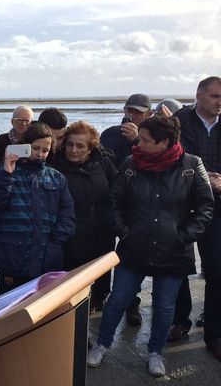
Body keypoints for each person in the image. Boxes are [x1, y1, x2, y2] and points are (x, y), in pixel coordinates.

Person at [87, 114, 214, 377]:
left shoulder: (191, 165)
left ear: (164, 142)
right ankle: (102, 345)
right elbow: (115, 202)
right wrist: (125, 232)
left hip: (174, 250)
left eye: (145, 140)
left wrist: (184, 235)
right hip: (134, 247)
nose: (138, 144)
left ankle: (156, 352)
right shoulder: (131, 164)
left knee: (165, 306)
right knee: (118, 299)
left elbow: (205, 206)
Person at [0, 121, 75, 295]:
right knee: (8, 312)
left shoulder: (57, 178)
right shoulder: (1, 171)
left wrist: (54, 247)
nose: (40, 154)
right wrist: (5, 175)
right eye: (35, 148)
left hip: (46, 260)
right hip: (12, 259)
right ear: (24, 145)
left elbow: (67, 218)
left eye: (45, 150)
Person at [174, 76, 221, 360]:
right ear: (199, 96)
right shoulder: (180, 123)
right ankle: (180, 321)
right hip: (182, 204)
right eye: (215, 96)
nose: (220, 102)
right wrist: (203, 180)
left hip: (218, 208)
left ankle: (215, 333)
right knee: (177, 266)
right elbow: (172, 157)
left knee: (216, 270)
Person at [52, 121, 117, 311]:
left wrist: (114, 222)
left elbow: (118, 193)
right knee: (72, 290)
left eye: (80, 146)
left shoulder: (103, 163)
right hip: (70, 238)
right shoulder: (56, 165)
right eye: (70, 144)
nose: (73, 150)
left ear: (90, 148)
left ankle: (98, 300)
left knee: (100, 285)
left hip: (101, 233)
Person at [100, 93, 153, 326]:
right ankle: (100, 296)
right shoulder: (110, 134)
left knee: (132, 257)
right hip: (109, 202)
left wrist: (135, 141)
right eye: (129, 110)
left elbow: (152, 163)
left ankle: (132, 303)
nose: (132, 115)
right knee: (103, 251)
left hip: (137, 206)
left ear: (148, 114)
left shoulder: (151, 138)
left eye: (138, 112)